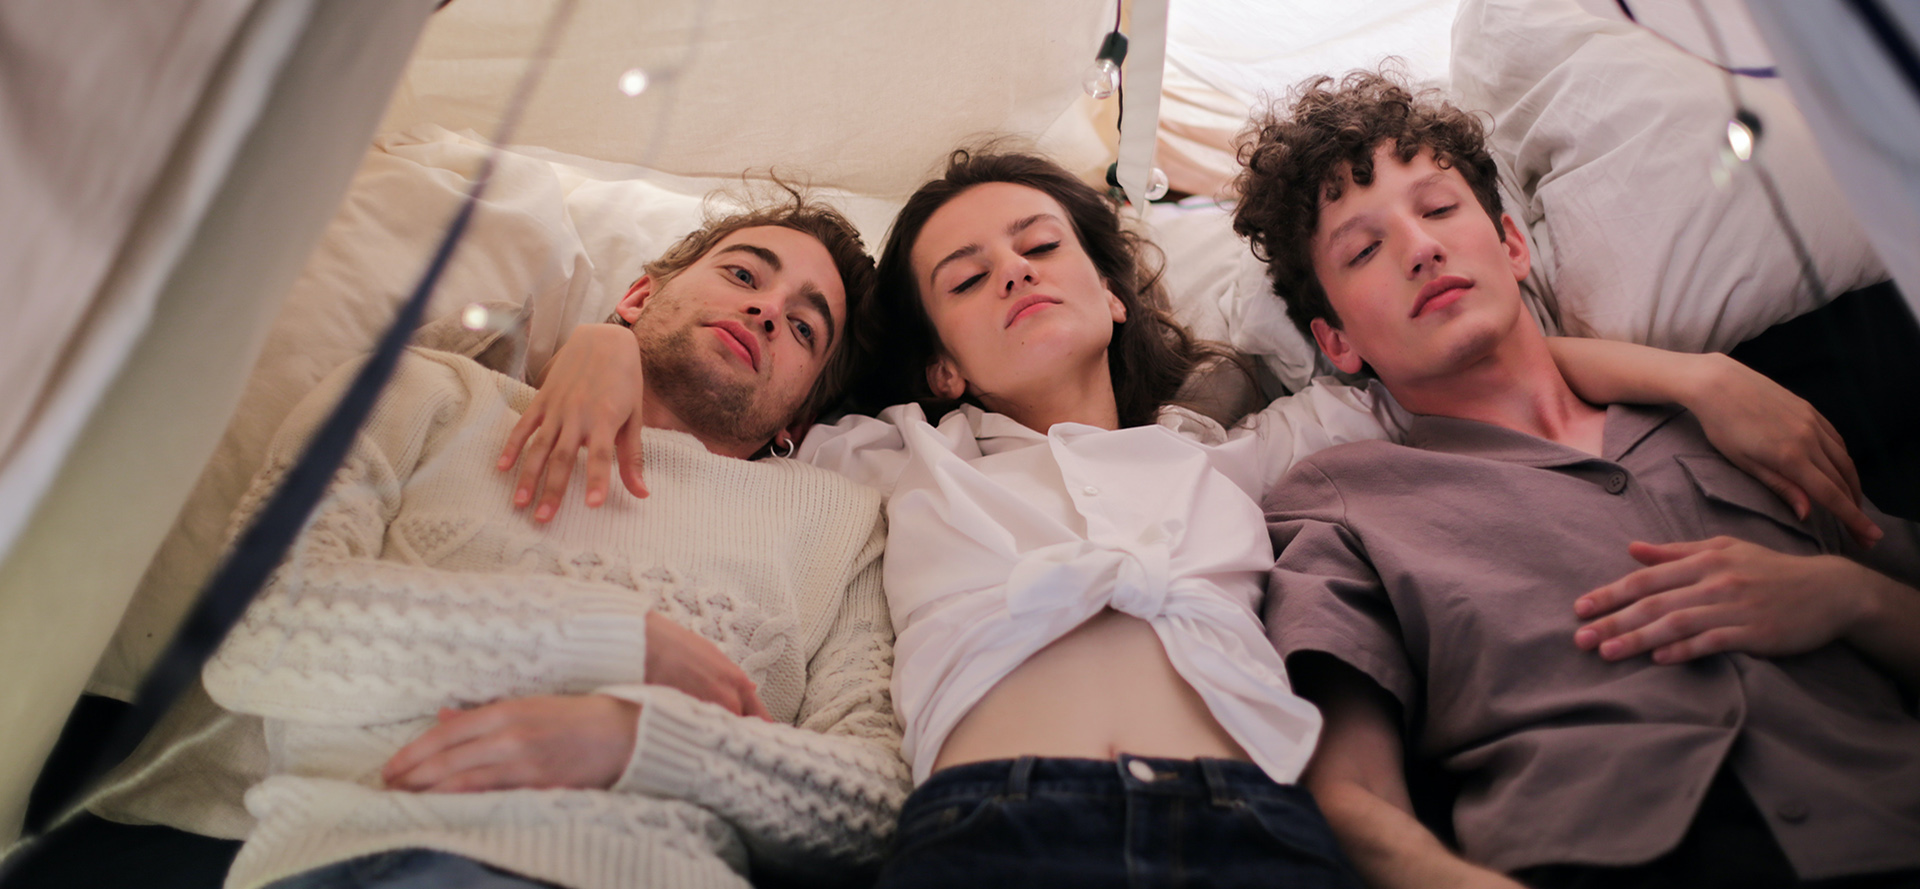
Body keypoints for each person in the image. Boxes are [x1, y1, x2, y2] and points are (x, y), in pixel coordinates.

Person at [508, 144, 1864, 886]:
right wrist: (603, 344)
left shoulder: (1233, 459)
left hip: (1258, 829)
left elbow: (1431, 349)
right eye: (966, 278)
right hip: (996, 828)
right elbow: (738, 395)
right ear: (937, 358)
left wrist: (1695, 373)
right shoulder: (892, 455)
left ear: (1110, 291)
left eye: (1044, 248)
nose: (1015, 277)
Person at [14, 194, 909, 889]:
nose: (765, 312)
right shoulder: (431, 393)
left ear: (799, 414)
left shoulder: (838, 523)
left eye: (803, 326)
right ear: (639, 295)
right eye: (745, 275)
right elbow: (265, 619)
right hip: (375, 850)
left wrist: (636, 734)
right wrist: (607, 638)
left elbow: (876, 803)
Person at [1237, 71, 1920, 888]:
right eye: (1365, 248)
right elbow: (1351, 796)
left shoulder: (1738, 423)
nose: (1420, 248)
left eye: (1440, 209)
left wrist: (1847, 596)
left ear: (1513, 246)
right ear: (1337, 341)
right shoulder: (1340, 501)